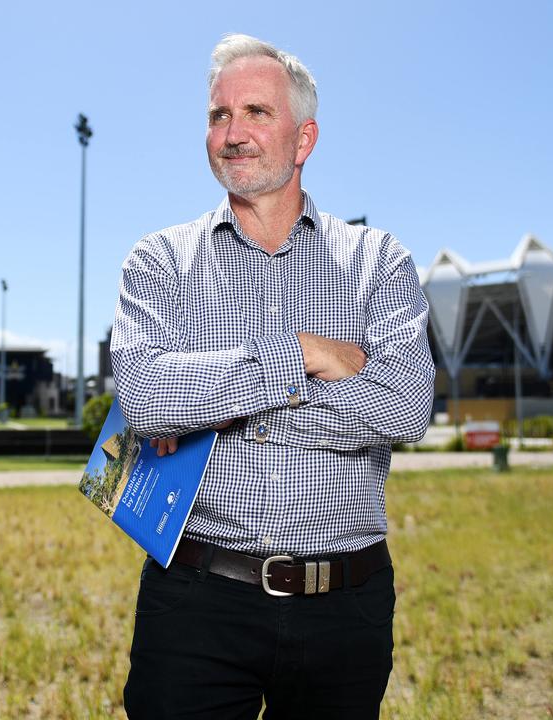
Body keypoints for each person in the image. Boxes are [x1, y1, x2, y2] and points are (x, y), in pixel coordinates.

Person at [110, 33, 435, 719]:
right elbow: (146, 399)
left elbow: (405, 407)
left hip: (345, 603)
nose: (232, 133)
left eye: (255, 112)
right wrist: (307, 354)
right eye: (217, 115)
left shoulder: (378, 262)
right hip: (196, 601)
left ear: (304, 137)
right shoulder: (159, 262)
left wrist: (215, 401)